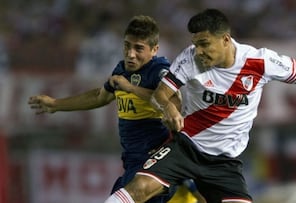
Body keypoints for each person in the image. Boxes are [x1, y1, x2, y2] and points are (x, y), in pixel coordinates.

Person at [104, 8, 296, 203]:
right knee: (139, 188)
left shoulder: (260, 61)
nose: (198, 50)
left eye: (204, 44)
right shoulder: (190, 58)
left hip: (225, 161)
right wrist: (168, 108)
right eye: (196, 43)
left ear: (225, 39)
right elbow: (161, 94)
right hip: (186, 146)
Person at [28, 15, 199, 203]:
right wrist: (56, 104)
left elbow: (174, 102)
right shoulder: (121, 71)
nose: (130, 54)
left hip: (153, 163)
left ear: (154, 50)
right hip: (133, 162)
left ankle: (186, 186)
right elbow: (99, 96)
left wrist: (131, 88)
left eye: (139, 48)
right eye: (127, 46)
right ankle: (186, 188)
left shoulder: (159, 70)